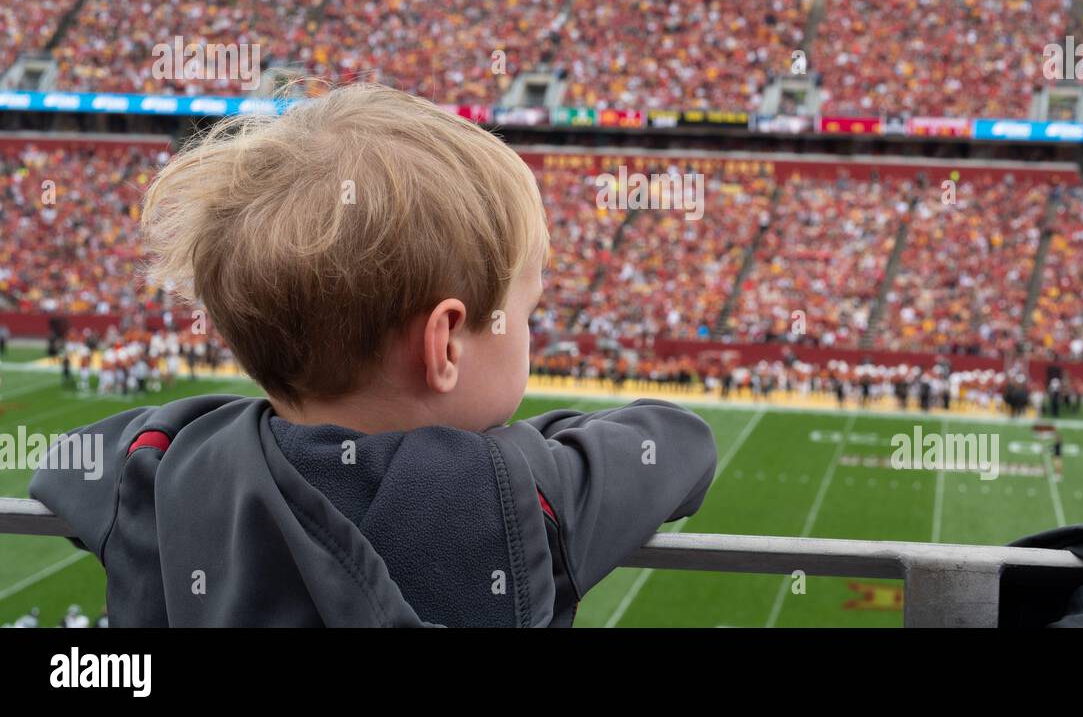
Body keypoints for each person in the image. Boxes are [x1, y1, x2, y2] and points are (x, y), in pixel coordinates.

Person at [30, 84, 718, 627]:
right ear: (444, 344)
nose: (530, 333)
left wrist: (193, 431)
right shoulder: (516, 493)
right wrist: (534, 449)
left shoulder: (161, 469)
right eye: (525, 314)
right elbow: (678, 443)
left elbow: (65, 464)